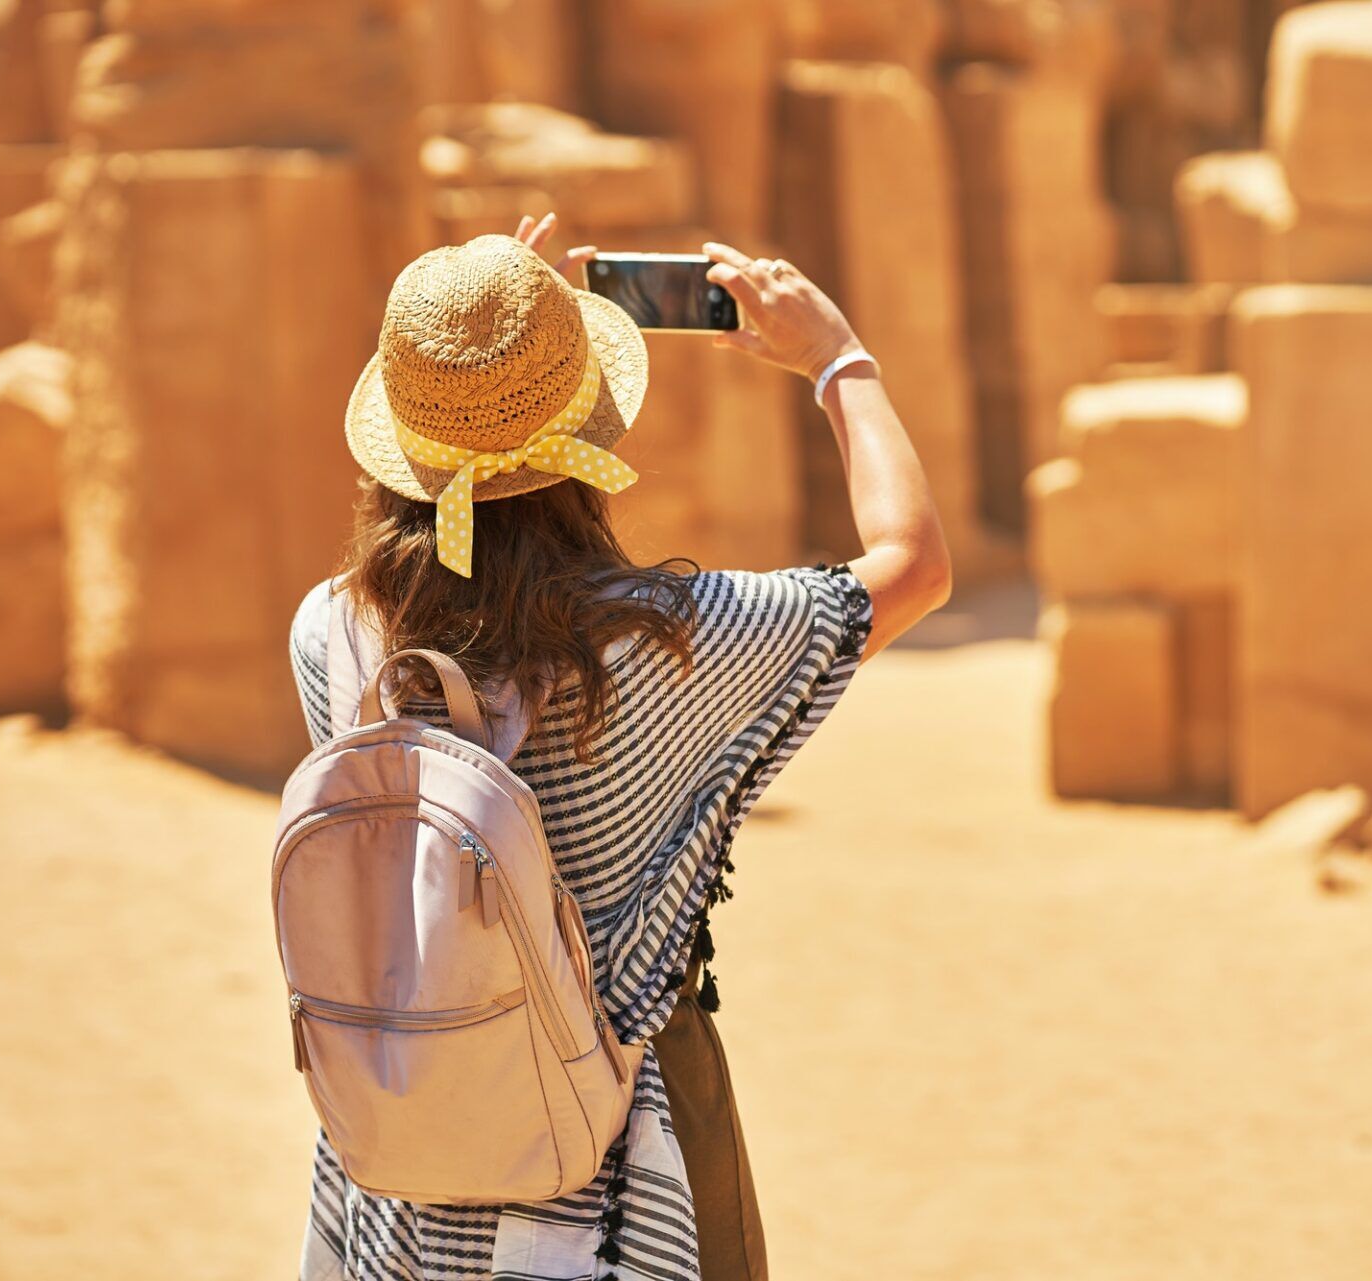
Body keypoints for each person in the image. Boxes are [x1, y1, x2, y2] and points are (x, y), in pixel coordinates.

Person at [286, 212, 951, 1281]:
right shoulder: (661, 644)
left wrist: (489, 347)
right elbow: (912, 564)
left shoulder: (331, 634)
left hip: (406, 1146)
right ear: (584, 427)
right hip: (610, 1157)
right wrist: (838, 359)